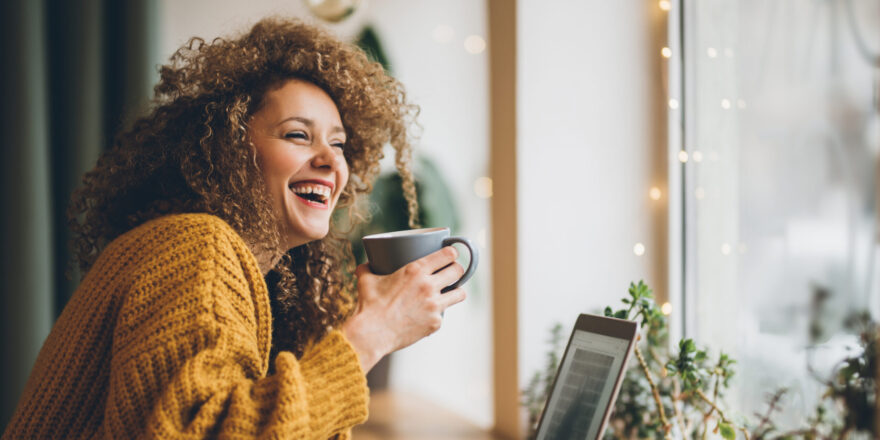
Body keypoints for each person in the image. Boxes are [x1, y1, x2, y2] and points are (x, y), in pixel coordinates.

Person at [2, 17, 467, 439]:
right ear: (226, 150)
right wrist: (373, 333)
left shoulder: (268, 284)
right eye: (298, 135)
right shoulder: (195, 247)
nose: (330, 162)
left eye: (340, 144)